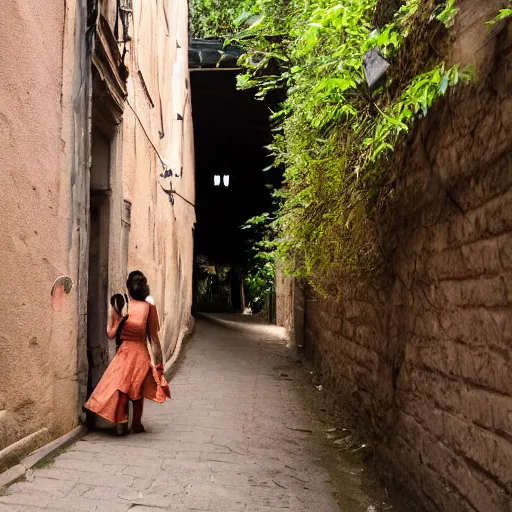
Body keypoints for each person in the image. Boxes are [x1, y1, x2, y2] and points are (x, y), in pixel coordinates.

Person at [84, 271, 170, 435]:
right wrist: (158, 365)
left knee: (122, 386)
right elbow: (154, 340)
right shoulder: (149, 307)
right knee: (137, 389)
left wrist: (119, 319)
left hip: (123, 352)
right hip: (140, 353)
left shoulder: (120, 302)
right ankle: (136, 423)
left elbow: (110, 334)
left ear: (128, 287)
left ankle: (122, 418)